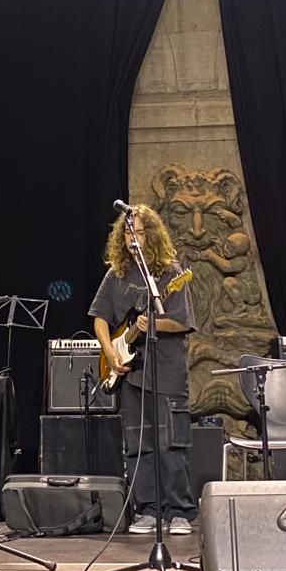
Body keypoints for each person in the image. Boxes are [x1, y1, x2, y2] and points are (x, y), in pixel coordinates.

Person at [89, 204, 198, 535]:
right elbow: (99, 318)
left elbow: (182, 322)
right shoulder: (117, 273)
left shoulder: (171, 274)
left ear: (151, 234)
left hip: (165, 370)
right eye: (127, 232)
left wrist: (155, 324)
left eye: (138, 232)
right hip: (129, 373)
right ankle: (148, 509)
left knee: (170, 442)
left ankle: (180, 511)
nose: (132, 238)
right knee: (138, 443)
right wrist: (111, 351)